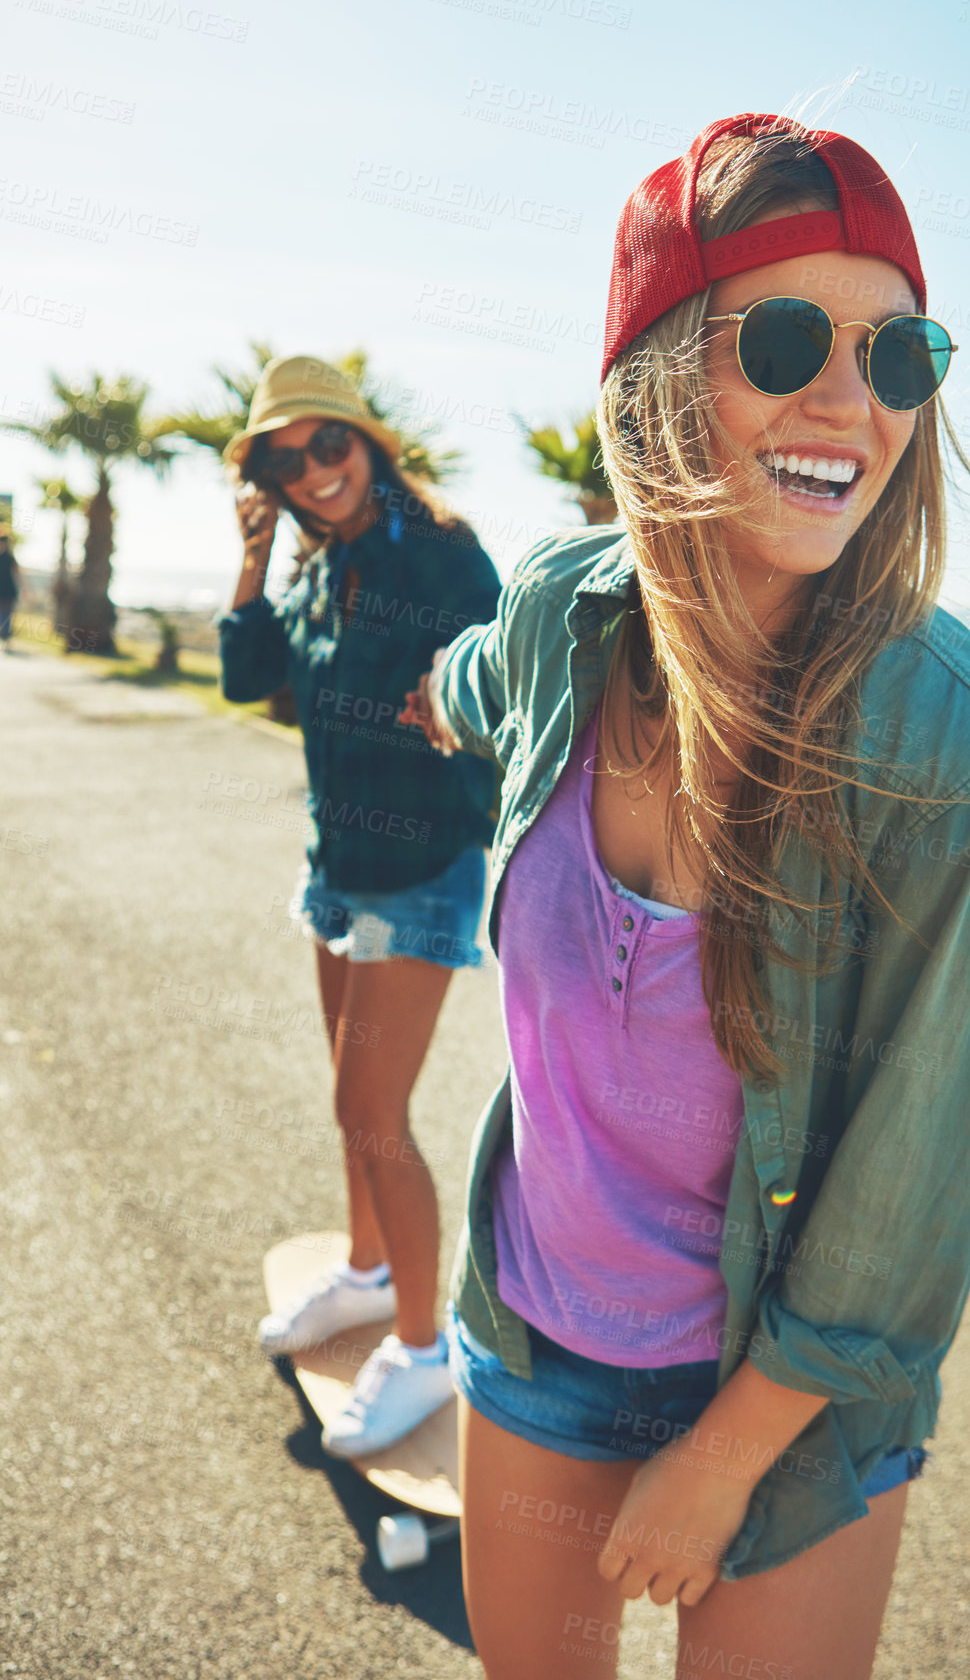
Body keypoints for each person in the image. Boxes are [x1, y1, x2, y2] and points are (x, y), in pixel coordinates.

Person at [400, 114, 970, 1679]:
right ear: (655, 379)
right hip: (535, 1333)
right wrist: (423, 695)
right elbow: (477, 682)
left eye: (897, 358)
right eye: (782, 339)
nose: (850, 402)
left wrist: (718, 1461)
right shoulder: (566, 614)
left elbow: (917, 1195)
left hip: (794, 1405)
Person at [218, 355, 500, 1455]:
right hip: (336, 861)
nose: (311, 472)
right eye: (283, 462)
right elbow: (249, 680)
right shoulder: (313, 565)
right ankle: (368, 1272)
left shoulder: (439, 549)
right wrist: (249, 563)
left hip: (420, 867)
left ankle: (424, 1346)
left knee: (373, 1113)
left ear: (365, 442)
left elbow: (504, 671)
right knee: (354, 1110)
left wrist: (455, 705)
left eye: (325, 445)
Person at [0, 533, 20, 650]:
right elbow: (18, 575)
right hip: (7, 591)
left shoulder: (10, 558)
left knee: (6, 616)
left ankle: (6, 637)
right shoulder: (10, 557)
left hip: (7, 591)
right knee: (5, 615)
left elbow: (17, 575)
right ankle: (5, 636)